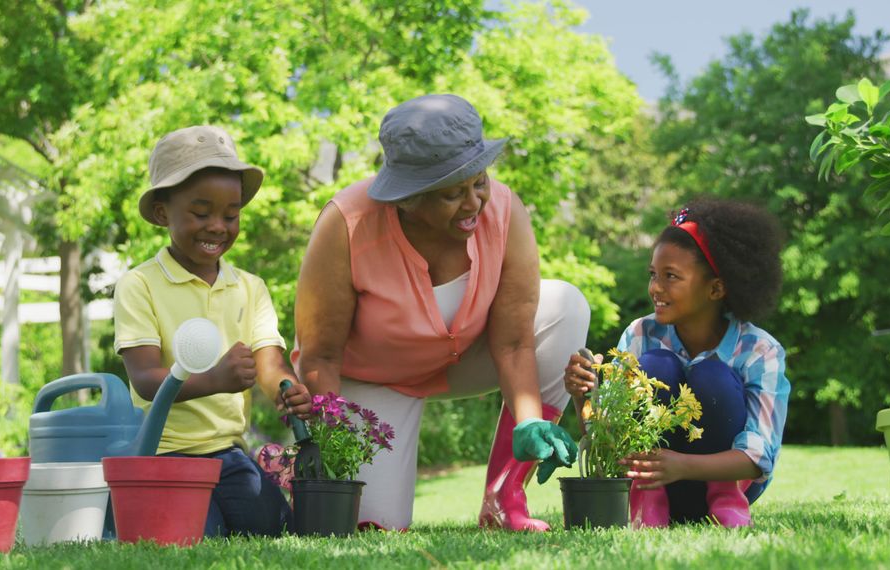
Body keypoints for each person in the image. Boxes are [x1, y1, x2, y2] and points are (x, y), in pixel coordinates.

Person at [293, 94, 591, 532]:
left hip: (466, 359)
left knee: (565, 304)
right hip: (371, 383)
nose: (473, 203)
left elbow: (512, 342)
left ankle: (505, 496)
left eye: (479, 182)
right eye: (452, 194)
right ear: (409, 199)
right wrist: (329, 445)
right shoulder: (348, 224)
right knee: (373, 525)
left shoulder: (504, 212)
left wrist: (528, 420)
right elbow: (320, 356)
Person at [113, 125, 312, 537]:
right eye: (201, 213)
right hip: (163, 454)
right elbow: (146, 380)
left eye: (231, 214)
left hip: (228, 454)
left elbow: (269, 364)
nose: (218, 226)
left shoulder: (249, 288)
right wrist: (214, 380)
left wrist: (287, 391)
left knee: (273, 527)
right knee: (195, 534)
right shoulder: (140, 285)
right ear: (163, 212)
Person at [564, 197, 790, 527]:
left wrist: (682, 464)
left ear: (716, 288)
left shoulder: (759, 350)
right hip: (650, 481)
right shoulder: (640, 334)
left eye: (671, 276)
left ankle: (724, 500)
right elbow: (607, 439)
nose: (655, 287)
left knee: (714, 376)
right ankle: (648, 504)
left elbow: (759, 456)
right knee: (657, 365)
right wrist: (581, 394)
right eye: (653, 274)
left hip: (726, 480)